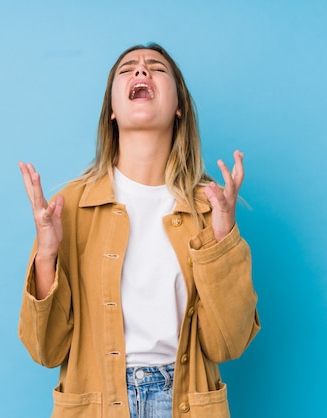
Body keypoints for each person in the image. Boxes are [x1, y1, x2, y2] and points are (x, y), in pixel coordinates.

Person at [17, 43, 260, 418]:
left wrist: (222, 240)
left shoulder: (208, 206)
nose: (142, 71)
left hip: (184, 403)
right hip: (97, 404)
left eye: (157, 68)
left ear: (179, 107)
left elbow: (227, 344)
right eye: (127, 68)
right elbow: (45, 350)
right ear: (111, 111)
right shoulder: (70, 205)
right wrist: (47, 256)